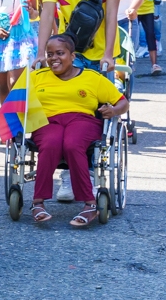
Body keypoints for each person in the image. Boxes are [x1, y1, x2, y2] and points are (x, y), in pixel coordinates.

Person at [28, 34, 129, 228]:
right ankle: (38, 202)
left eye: (60, 53)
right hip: (47, 120)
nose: (53, 58)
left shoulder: (92, 78)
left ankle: (90, 204)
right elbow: (16, 101)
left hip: (83, 120)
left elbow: (123, 102)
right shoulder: (36, 77)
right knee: (50, 144)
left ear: (72, 56)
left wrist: (114, 110)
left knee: (73, 144)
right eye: (49, 54)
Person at [133, 0, 163, 74]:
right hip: (133, 8)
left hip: (147, 8)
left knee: (150, 34)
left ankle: (155, 64)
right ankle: (128, 64)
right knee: (131, 37)